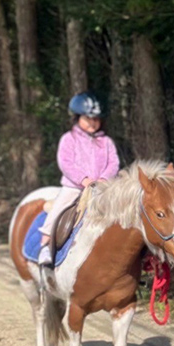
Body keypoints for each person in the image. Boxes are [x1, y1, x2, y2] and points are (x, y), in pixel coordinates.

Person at [39, 92, 121, 268]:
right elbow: (65, 163)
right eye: (88, 118)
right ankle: (46, 244)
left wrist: (103, 179)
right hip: (75, 188)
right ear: (78, 118)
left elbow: (113, 162)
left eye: (96, 119)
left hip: (102, 188)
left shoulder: (106, 141)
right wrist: (84, 180)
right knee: (60, 207)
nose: (92, 122)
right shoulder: (68, 139)